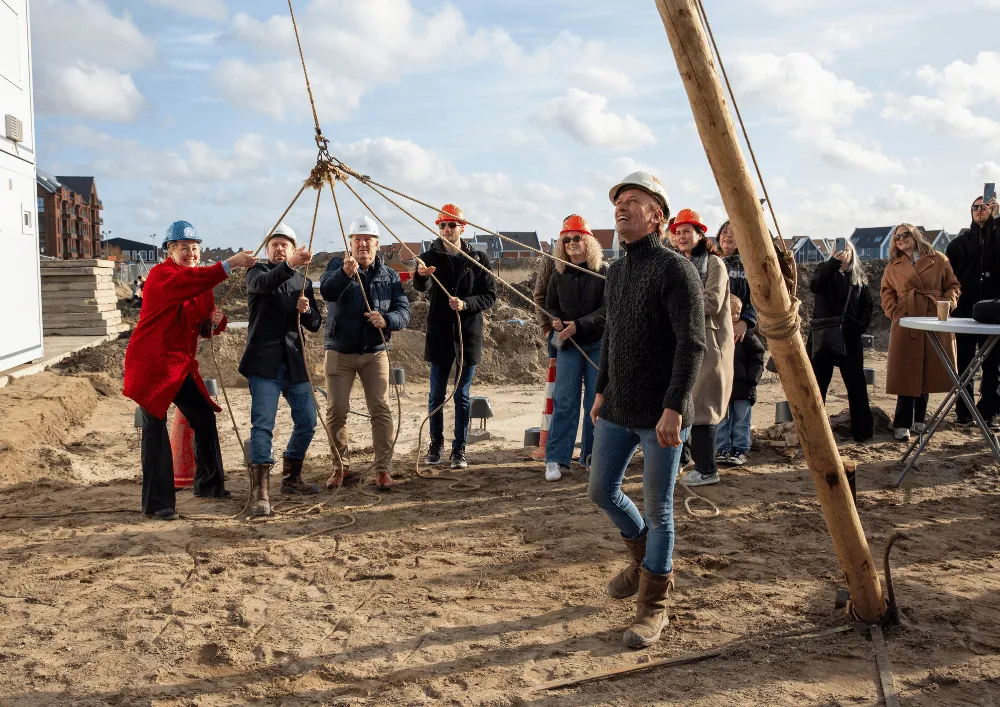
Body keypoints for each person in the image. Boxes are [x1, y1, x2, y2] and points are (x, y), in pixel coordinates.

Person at [588, 172, 706, 650]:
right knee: (601, 490)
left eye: (632, 201)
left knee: (659, 510)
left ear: (657, 215)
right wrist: (600, 390)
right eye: (617, 201)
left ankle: (653, 606)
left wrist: (674, 407)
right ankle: (640, 562)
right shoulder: (615, 272)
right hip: (617, 405)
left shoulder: (676, 270)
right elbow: (613, 337)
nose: (621, 208)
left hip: (662, 413)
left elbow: (692, 344)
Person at [123, 221, 257, 520]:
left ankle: (209, 485)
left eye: (195, 248)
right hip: (152, 365)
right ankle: (158, 505)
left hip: (180, 365)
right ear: (170, 251)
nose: (191, 253)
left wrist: (215, 320)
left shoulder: (200, 284)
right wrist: (228, 265)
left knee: (203, 417)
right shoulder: (160, 276)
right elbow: (185, 285)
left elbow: (203, 327)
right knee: (154, 431)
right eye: (184, 248)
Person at [320, 215, 410, 490]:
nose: (363, 245)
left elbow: (403, 311)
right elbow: (327, 291)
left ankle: (383, 470)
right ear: (350, 243)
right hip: (339, 351)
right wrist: (346, 273)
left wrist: (387, 320)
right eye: (358, 240)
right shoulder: (337, 265)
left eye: (368, 240)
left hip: (375, 352)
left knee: (380, 409)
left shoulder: (389, 274)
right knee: (336, 410)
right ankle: (340, 468)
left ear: (377, 244)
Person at [239, 223, 322, 518]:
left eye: (284, 244)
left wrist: (307, 311)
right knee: (263, 425)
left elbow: (314, 325)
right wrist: (289, 265)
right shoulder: (256, 273)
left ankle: (291, 477)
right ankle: (260, 491)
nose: (278, 248)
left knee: (308, 421)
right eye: (274, 244)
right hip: (264, 363)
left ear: (293, 247)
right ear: (267, 249)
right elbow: (265, 286)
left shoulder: (303, 282)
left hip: (294, 362)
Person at [413, 204, 497, 469]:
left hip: (467, 336)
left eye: (452, 225)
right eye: (442, 226)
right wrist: (420, 275)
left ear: (463, 227)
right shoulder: (429, 256)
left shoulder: (479, 258)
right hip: (439, 334)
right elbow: (422, 286)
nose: (447, 230)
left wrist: (465, 304)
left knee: (462, 394)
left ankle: (459, 449)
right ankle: (435, 443)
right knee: (436, 394)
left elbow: (490, 295)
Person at [668, 209, 734, 487]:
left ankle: (707, 469)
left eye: (687, 231)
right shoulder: (675, 263)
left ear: (699, 234)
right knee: (680, 402)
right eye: (678, 232)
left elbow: (711, 303)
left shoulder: (714, 264)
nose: (682, 236)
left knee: (703, 408)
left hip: (709, 344)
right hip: (682, 342)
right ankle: (680, 460)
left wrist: (672, 307)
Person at [881, 223, 961, 441]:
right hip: (906, 320)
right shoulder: (893, 266)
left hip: (932, 316)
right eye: (896, 236)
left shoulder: (939, 259)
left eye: (905, 234)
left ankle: (920, 419)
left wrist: (946, 303)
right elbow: (886, 291)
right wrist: (893, 310)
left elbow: (953, 285)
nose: (900, 239)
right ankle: (902, 422)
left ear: (916, 236)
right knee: (907, 370)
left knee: (926, 368)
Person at [544, 215, 608, 482]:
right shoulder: (558, 274)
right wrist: (556, 322)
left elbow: (609, 309)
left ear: (588, 241)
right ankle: (557, 459)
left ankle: (593, 457)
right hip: (568, 346)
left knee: (595, 403)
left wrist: (579, 325)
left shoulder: (604, 271)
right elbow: (550, 305)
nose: (571, 243)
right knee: (564, 401)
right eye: (566, 239)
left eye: (576, 237)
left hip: (597, 344)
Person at [807, 241, 874, 442]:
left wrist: (860, 326)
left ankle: (862, 433)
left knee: (856, 387)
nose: (843, 253)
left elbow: (868, 306)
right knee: (817, 387)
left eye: (846, 249)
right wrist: (833, 263)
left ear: (853, 253)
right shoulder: (824, 269)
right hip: (824, 337)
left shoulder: (859, 278)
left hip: (850, 340)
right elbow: (816, 286)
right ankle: (814, 434)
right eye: (838, 249)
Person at [946, 194, 1000, 427]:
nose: (980, 210)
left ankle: (990, 412)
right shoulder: (959, 244)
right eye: (975, 207)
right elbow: (948, 279)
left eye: (985, 206)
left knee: (993, 364)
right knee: (964, 364)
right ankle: (964, 412)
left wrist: (997, 221)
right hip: (964, 312)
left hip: (995, 311)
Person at [714, 221, 760, 466]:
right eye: (724, 232)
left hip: (740, 334)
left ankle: (740, 446)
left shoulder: (748, 266)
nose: (728, 237)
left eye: (734, 233)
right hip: (716, 333)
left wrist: (746, 321)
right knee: (718, 396)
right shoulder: (711, 262)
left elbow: (758, 297)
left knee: (740, 401)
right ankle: (720, 445)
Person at [717, 295, 765, 465]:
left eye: (737, 314)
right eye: (730, 314)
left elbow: (757, 357)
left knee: (741, 421)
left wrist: (752, 379)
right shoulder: (718, 334)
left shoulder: (747, 337)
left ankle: (740, 449)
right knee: (722, 420)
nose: (734, 317)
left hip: (743, 387)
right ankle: (722, 448)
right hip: (723, 387)